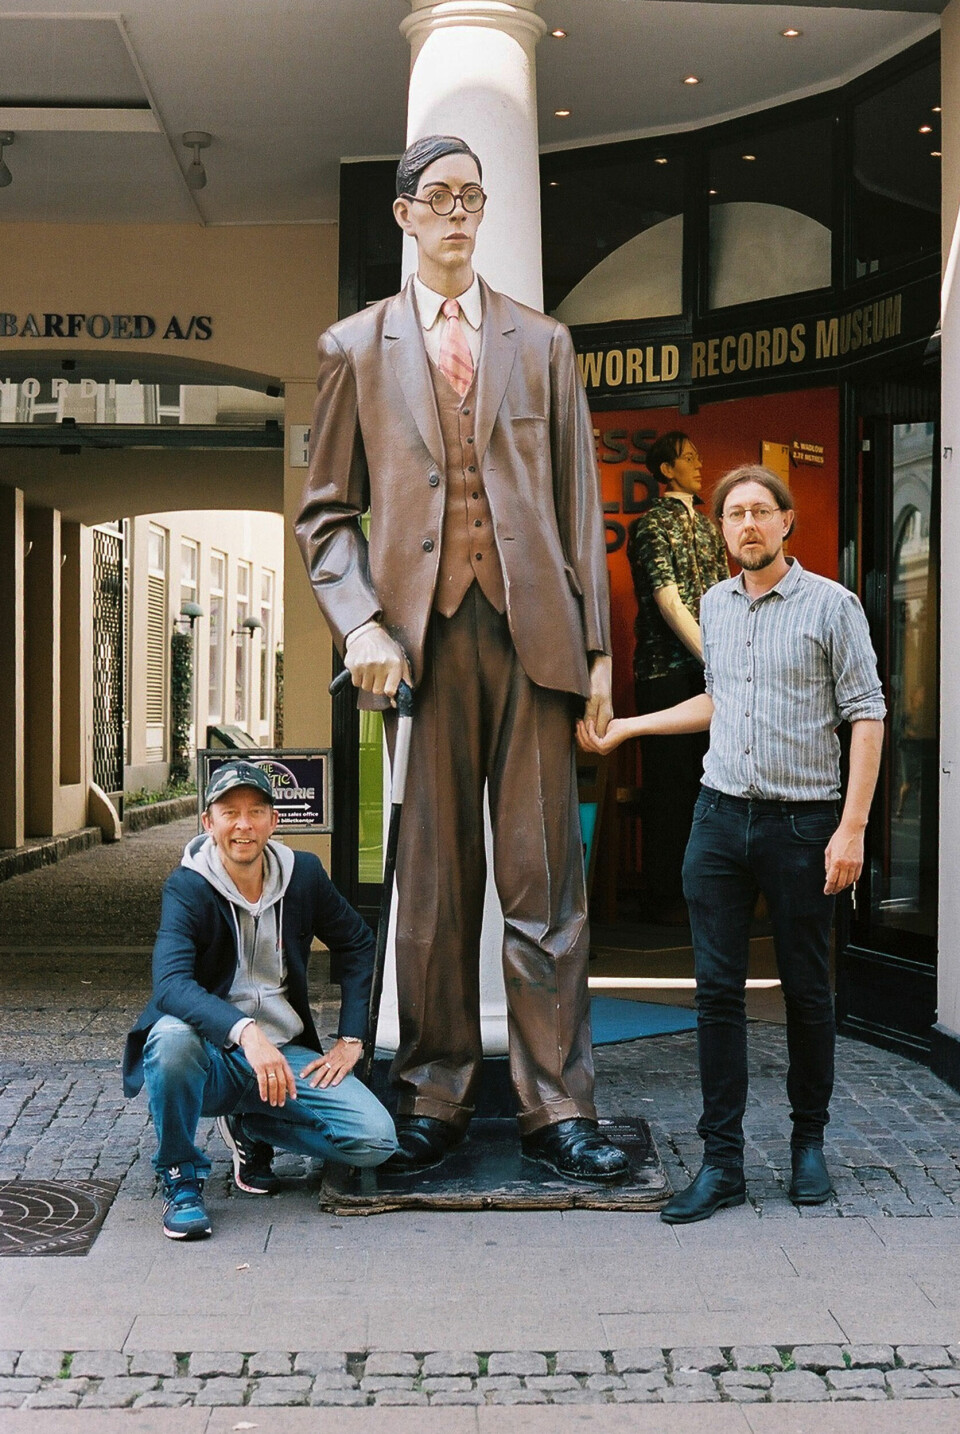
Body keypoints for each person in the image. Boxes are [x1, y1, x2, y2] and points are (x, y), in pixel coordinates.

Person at [295, 134, 628, 1183]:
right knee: (436, 893)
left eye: (470, 198)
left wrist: (600, 655)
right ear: (402, 214)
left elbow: (580, 505)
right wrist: (360, 625)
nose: (455, 213)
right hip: (422, 650)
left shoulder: (545, 343)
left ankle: (558, 1107)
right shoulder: (356, 346)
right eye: (436, 197)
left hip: (534, 645)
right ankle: (434, 1094)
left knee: (545, 885)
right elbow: (323, 518)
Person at [580, 465, 885, 1221]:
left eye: (760, 511)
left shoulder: (832, 606)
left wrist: (851, 828)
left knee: (808, 991)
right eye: (734, 514)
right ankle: (723, 1164)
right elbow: (719, 699)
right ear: (720, 530)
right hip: (719, 819)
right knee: (716, 993)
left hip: (803, 822)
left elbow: (869, 714)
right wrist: (630, 726)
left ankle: (807, 1142)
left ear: (786, 522)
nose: (747, 524)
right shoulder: (714, 606)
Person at [123, 759, 397, 1240]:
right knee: (170, 1039)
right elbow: (169, 984)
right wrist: (245, 1032)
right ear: (208, 823)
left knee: (375, 1141)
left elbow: (359, 945)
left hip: (285, 1054)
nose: (243, 825)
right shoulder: (187, 887)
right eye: (229, 812)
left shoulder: (304, 876)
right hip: (212, 1056)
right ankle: (181, 1177)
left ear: (275, 820)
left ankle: (254, 1126)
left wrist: (353, 1037)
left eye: (256, 811)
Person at [627, 432, 728, 923]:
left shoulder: (711, 529)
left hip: (713, 674)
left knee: (712, 783)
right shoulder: (650, 526)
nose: (698, 464)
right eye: (689, 458)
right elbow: (667, 599)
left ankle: (707, 895)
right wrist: (716, 657)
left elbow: (729, 593)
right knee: (668, 785)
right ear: (665, 470)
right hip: (664, 671)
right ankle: (664, 897)